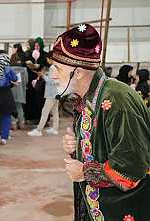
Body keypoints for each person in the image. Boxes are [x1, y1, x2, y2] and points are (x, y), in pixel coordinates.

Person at [53, 24, 150, 220]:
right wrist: (75, 146)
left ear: (78, 72)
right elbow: (100, 146)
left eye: (57, 68)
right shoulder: (87, 98)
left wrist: (84, 173)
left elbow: (131, 168)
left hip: (120, 209)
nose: (53, 75)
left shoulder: (117, 100)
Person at [27, 52, 59, 136]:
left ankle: (39, 130)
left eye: (48, 59)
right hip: (56, 92)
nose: (47, 61)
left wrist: (43, 76)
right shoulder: (56, 67)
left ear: (51, 59)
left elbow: (52, 81)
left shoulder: (53, 68)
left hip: (51, 93)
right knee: (55, 111)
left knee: (45, 111)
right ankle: (55, 128)